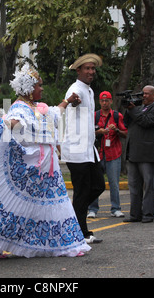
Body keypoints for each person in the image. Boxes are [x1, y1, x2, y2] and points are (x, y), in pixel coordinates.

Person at [0, 64, 90, 258]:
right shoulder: (20, 108)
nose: (42, 88)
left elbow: (53, 113)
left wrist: (67, 101)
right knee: (21, 208)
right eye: (39, 85)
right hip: (33, 167)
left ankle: (68, 244)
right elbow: (14, 123)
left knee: (51, 204)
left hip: (47, 166)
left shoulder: (35, 107)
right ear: (29, 90)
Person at [61, 53, 106, 243]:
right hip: (77, 149)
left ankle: (74, 217)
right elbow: (70, 103)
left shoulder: (89, 90)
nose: (91, 72)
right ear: (78, 70)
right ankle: (82, 232)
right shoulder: (75, 89)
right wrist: (73, 102)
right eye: (87, 68)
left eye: (93, 68)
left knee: (97, 186)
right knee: (83, 190)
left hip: (89, 148)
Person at [123, 85, 154, 223]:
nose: (144, 96)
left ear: (153, 95)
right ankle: (135, 214)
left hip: (146, 154)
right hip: (133, 152)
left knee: (148, 186)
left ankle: (147, 214)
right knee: (134, 186)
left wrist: (132, 109)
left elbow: (145, 122)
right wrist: (129, 109)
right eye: (142, 93)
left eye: (147, 94)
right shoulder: (138, 108)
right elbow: (126, 123)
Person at [87, 91, 127, 218]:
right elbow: (88, 132)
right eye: (102, 101)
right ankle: (92, 209)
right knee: (95, 183)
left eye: (107, 100)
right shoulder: (95, 116)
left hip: (113, 154)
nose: (105, 103)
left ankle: (116, 208)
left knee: (114, 182)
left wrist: (117, 130)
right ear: (99, 102)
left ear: (111, 101)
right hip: (98, 153)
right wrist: (99, 132)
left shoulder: (117, 116)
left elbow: (125, 133)